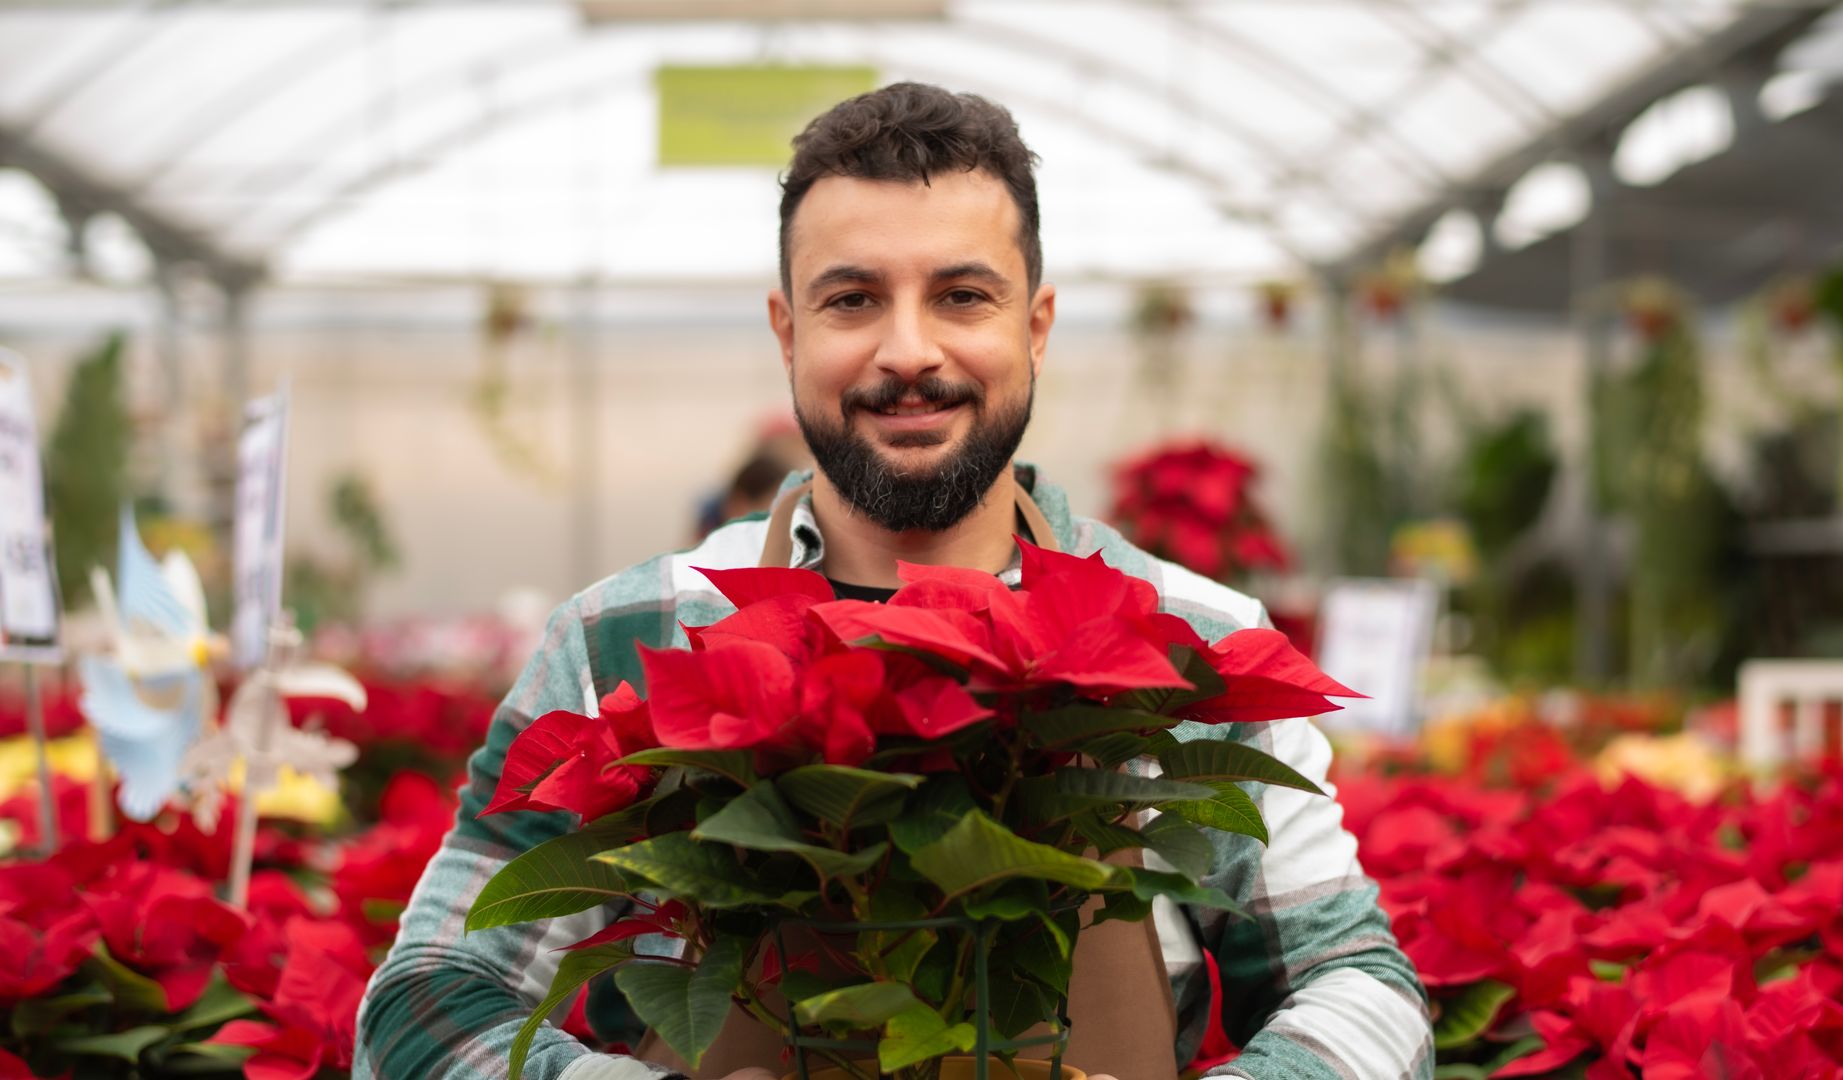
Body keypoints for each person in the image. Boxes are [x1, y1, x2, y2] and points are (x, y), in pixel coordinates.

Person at [355, 82, 1433, 1080]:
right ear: (788, 333)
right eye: (853, 299)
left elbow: (1361, 989)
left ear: (1036, 328)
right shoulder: (626, 635)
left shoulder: (1189, 636)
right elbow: (425, 998)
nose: (908, 350)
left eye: (963, 295)